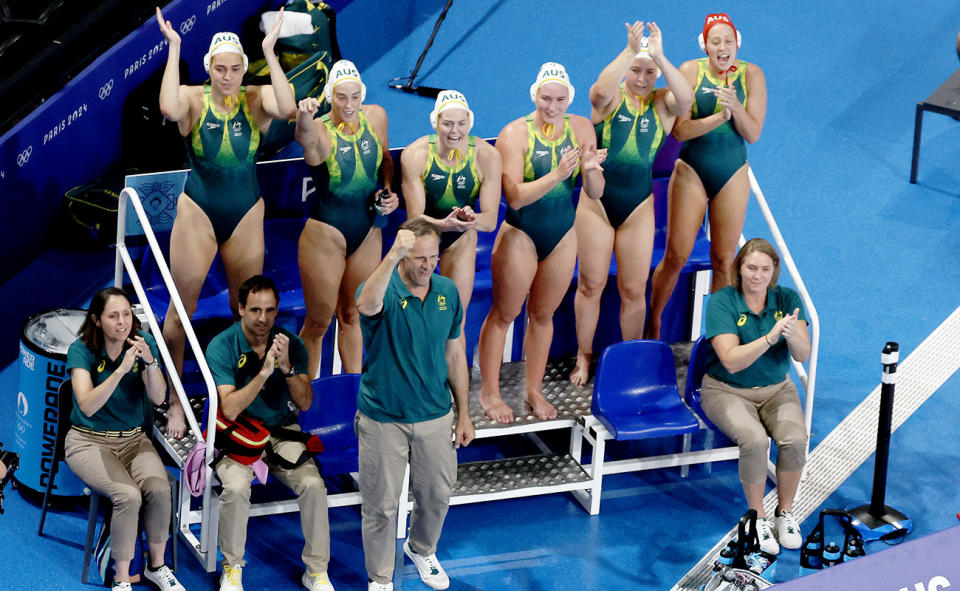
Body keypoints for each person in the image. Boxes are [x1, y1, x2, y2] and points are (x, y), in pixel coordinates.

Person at [156, 8, 297, 438]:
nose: (229, 76)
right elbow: (166, 105)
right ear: (209, 70)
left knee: (252, 314)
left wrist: (270, 53)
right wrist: (175, 47)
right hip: (198, 211)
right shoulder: (193, 100)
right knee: (180, 312)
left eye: (236, 68)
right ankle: (176, 402)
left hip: (245, 215)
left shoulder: (256, 99)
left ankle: (242, 401)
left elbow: (288, 106)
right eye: (221, 69)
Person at [476, 62, 606, 423]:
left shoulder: (581, 128)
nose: (553, 107)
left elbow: (595, 194)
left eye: (560, 100)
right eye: (546, 99)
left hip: (562, 236)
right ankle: (489, 392)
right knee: (504, 314)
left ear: (569, 99)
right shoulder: (514, 134)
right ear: (535, 96)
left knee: (543, 315)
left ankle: (534, 390)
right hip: (521, 234)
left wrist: (592, 171)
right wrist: (559, 174)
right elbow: (515, 197)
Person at [570, 21, 694, 385]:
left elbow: (686, 99)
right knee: (590, 286)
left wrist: (660, 56)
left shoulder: (662, 105)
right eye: (635, 71)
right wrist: (629, 52)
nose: (641, 79)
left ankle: (630, 360)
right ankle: (583, 356)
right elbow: (596, 92)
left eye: (649, 73)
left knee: (633, 290)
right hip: (597, 205)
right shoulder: (611, 101)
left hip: (638, 207)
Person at [355, 218, 476, 591]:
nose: (428, 266)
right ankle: (380, 577)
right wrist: (392, 255)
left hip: (436, 416)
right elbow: (365, 303)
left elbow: (455, 352)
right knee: (381, 506)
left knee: (438, 494)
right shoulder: (383, 287)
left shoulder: (447, 292)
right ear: (405, 256)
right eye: (419, 258)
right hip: (383, 419)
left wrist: (464, 414)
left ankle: (421, 549)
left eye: (433, 258)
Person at [205, 276, 333, 591]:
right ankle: (232, 567)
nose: (263, 318)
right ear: (240, 309)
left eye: (270, 310)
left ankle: (316, 571)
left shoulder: (292, 344)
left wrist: (287, 367)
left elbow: (304, 401)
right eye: (255, 310)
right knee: (235, 487)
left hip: (281, 432)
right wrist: (264, 372)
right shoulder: (221, 346)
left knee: (314, 485)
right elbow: (231, 408)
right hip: (237, 434)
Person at [646, 13, 767, 340]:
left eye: (728, 41)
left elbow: (753, 133)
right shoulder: (690, 71)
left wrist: (735, 109)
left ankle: (718, 338)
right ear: (706, 45)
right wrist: (719, 117)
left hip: (732, 172)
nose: (723, 47)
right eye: (716, 41)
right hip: (692, 170)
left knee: (725, 259)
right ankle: (653, 324)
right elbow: (681, 131)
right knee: (676, 255)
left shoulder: (752, 75)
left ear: (737, 43)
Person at [64, 287, 185, 591]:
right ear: (96, 320)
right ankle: (121, 579)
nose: (122, 323)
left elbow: (158, 398)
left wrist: (150, 363)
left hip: (133, 441)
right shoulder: (82, 350)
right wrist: (119, 371)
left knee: (159, 489)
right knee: (128, 495)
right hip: (87, 441)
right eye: (113, 316)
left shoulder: (144, 346)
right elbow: (87, 406)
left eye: (127, 315)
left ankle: (157, 566)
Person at [701, 238, 809, 555]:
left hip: (777, 388)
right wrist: (769, 337)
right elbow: (731, 362)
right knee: (755, 441)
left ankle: (785, 513)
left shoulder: (787, 298)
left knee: (794, 439)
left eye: (765, 269)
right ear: (740, 269)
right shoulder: (722, 302)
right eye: (751, 268)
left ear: (774, 271)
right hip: (726, 390)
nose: (757, 275)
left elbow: (802, 355)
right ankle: (757, 516)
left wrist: (793, 336)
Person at [295, 59, 397, 378]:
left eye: (355, 96)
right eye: (341, 97)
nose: (349, 104)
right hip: (327, 233)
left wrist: (389, 190)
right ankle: (302, 398)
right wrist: (302, 116)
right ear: (330, 97)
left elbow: (386, 158)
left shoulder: (376, 117)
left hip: (367, 230)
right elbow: (304, 138)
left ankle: (353, 394)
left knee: (352, 314)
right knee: (318, 322)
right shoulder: (321, 131)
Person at [400, 90, 502, 348]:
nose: (454, 131)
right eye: (447, 124)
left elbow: (489, 221)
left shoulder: (486, 156)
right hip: (423, 240)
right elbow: (414, 219)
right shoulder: (416, 155)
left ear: (470, 122)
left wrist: (469, 219)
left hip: (460, 239)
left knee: (455, 320)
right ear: (436, 123)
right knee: (413, 318)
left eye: (461, 124)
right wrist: (443, 224)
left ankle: (452, 387)